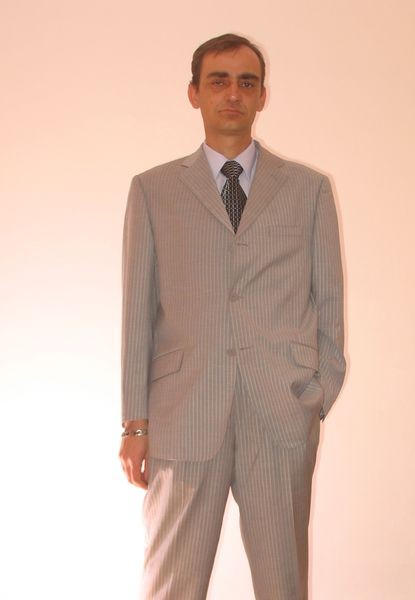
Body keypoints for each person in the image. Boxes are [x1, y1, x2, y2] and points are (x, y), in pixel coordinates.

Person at [119, 33, 346, 600]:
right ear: (193, 93)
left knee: (283, 584)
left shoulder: (308, 190)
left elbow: (330, 303)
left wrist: (316, 394)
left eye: (247, 82)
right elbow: (137, 313)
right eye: (218, 81)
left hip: (280, 412)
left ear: (263, 95)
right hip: (184, 413)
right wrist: (135, 423)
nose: (233, 94)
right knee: (172, 584)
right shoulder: (153, 190)